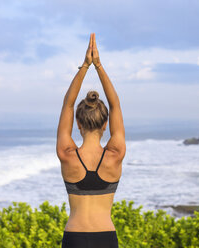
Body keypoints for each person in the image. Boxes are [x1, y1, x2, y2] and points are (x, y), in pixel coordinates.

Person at [56, 32, 126, 248]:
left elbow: (68, 104)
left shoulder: (66, 154)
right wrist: (99, 66)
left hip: (75, 237)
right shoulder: (115, 155)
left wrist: (85, 66)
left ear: (78, 123)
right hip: (106, 238)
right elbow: (116, 105)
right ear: (106, 124)